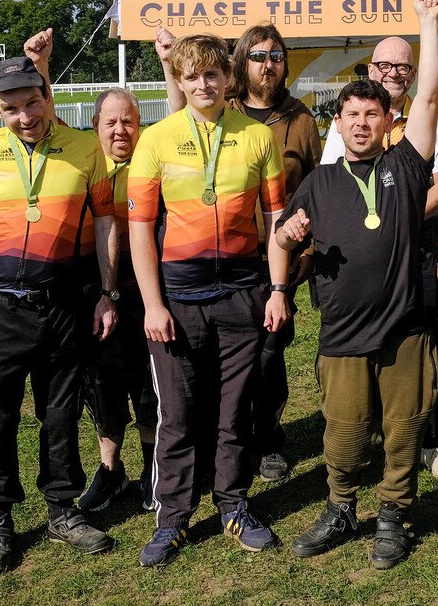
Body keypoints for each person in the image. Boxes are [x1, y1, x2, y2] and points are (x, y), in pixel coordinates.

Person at [271, 0, 438, 570]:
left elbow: (428, 93)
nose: (363, 123)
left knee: (403, 431)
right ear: (338, 123)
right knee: (344, 434)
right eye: (352, 115)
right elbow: (282, 236)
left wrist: (426, 22)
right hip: (342, 334)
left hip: (403, 330)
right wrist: (288, 239)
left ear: (388, 120)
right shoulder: (319, 182)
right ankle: (341, 506)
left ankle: (393, 514)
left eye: (373, 114)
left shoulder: (405, 166)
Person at [0, 56, 120, 573]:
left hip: (63, 303)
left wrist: (107, 294)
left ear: (46, 96)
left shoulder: (86, 149)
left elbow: (106, 224)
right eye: (11, 108)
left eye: (32, 102)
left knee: (60, 411)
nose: (25, 116)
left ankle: (63, 509)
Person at [128, 34, 290, 567]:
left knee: (234, 413)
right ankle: (172, 518)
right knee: (177, 415)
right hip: (177, 301)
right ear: (178, 80)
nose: (203, 83)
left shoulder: (258, 137)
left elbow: (275, 222)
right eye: (192, 75)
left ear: (228, 77)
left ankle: (233, 507)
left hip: (242, 296)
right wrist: (152, 304)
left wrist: (276, 289)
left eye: (212, 74)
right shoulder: (155, 140)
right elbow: (139, 227)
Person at [157, 22, 321, 484]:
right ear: (240, 65)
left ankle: (266, 439)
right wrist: (169, 61)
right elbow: (179, 125)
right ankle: (225, 443)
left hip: (274, 256)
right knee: (220, 364)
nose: (268, 64)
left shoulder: (299, 119)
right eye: (258, 56)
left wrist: (293, 264)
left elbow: (317, 184)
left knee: (269, 355)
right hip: (213, 261)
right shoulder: (219, 107)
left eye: (276, 55)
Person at [23, 30, 158, 513]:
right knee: (100, 387)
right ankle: (111, 472)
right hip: (91, 294)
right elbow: (47, 119)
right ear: (94, 126)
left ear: (141, 127)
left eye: (129, 121)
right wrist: (41, 64)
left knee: (145, 383)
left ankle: (151, 472)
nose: (120, 130)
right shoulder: (82, 157)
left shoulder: (152, 161)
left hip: (142, 291)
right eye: (111, 122)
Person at [320, 37, 438, 482]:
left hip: (416, 251)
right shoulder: (350, 120)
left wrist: (395, 217)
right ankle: (375, 438)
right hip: (363, 261)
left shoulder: (427, 121)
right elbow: (331, 185)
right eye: (384, 65)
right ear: (370, 69)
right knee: (365, 350)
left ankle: (431, 444)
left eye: (402, 67)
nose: (392, 73)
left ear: (412, 73)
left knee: (420, 348)